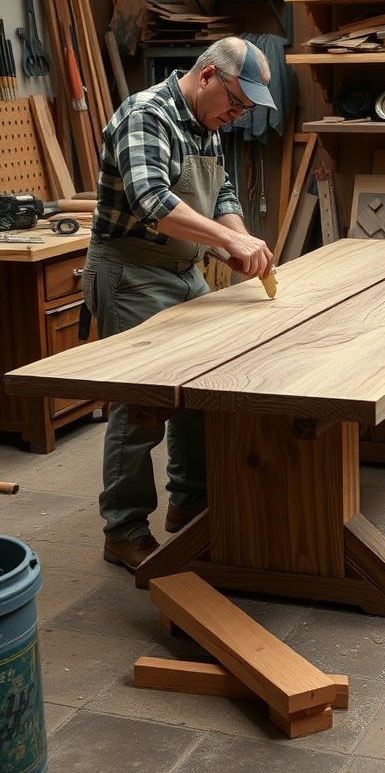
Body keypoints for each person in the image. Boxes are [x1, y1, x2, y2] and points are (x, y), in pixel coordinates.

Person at [82, 36, 276, 574]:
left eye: (246, 109)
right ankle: (123, 529)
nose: (237, 116)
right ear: (209, 75)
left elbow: (224, 195)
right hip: (130, 271)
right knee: (141, 404)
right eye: (236, 102)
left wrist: (240, 238)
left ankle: (190, 503)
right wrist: (225, 241)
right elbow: (152, 201)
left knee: (202, 389)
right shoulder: (147, 114)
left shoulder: (205, 124)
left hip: (181, 270)